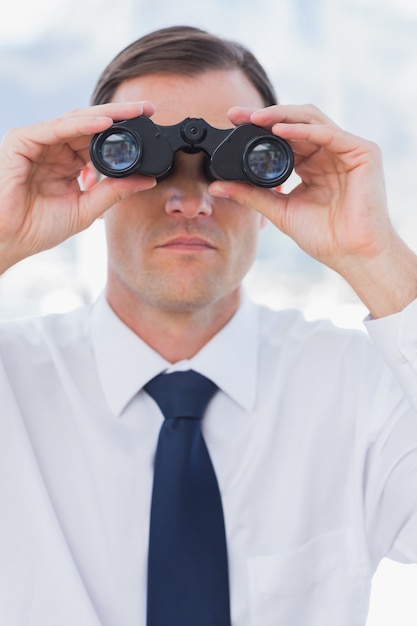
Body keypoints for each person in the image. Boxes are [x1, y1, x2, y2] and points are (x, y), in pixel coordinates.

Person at [0, 24, 416, 626]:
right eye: (144, 163)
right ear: (91, 175)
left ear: (274, 182)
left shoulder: (359, 391)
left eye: (237, 167)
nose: (190, 201)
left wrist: (374, 256)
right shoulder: (14, 386)